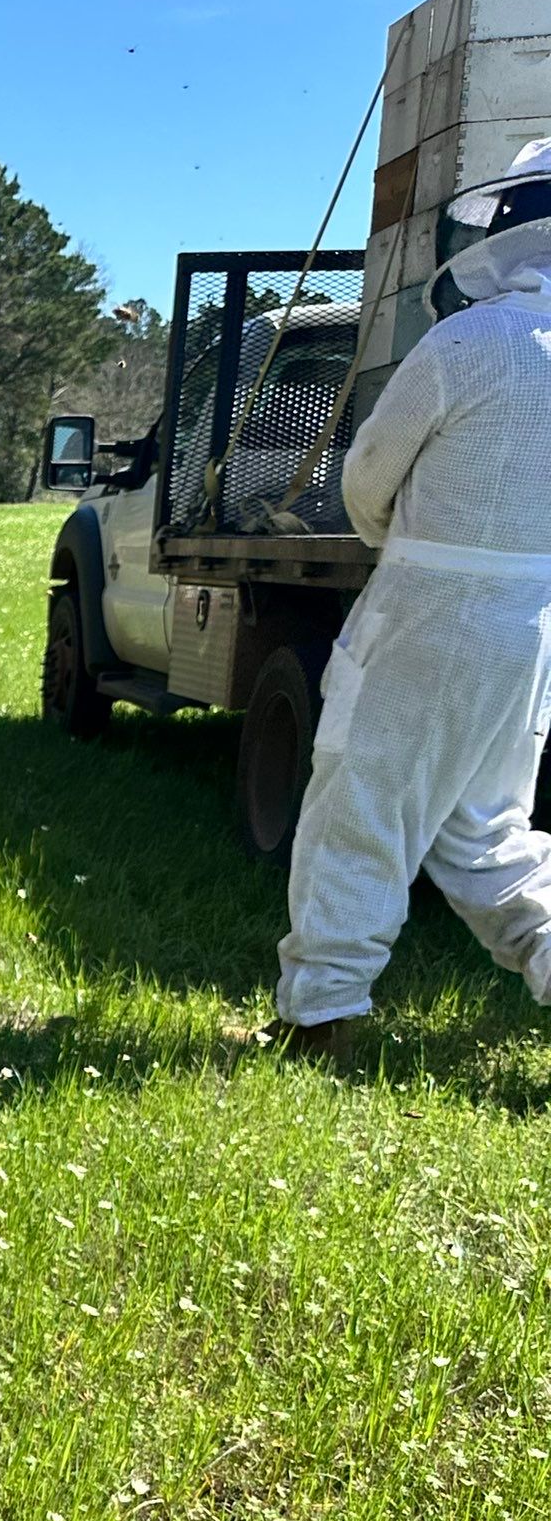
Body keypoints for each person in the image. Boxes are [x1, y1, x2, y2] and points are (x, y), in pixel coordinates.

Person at [272, 138, 551, 1058]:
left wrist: (404, 545)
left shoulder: (467, 341)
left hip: (427, 612)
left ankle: (325, 1016)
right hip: (532, 629)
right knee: (486, 825)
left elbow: (368, 476)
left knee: (361, 804)